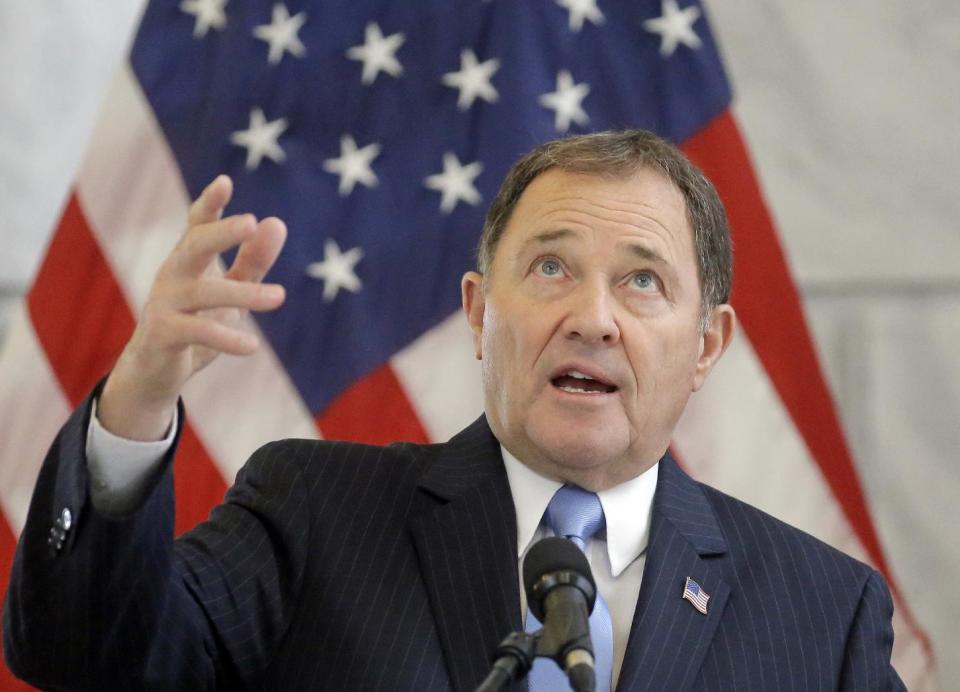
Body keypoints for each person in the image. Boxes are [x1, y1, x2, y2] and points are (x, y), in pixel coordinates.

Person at [3, 130, 904, 690]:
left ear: (706, 345)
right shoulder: (316, 513)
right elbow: (87, 658)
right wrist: (136, 401)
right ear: (479, 311)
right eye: (550, 267)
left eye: (641, 281)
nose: (591, 317)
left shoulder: (823, 614)